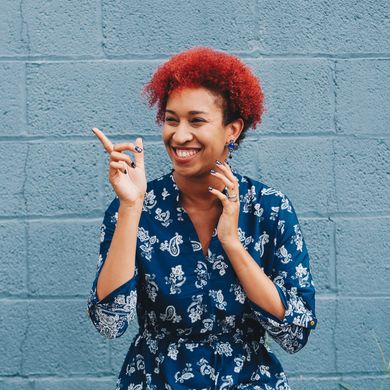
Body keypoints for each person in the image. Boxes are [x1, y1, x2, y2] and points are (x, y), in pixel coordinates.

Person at [87, 46, 317, 389]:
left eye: (196, 120)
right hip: (155, 380)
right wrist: (131, 208)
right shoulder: (135, 206)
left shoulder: (269, 209)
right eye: (170, 119)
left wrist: (232, 244)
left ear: (232, 130)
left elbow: (294, 334)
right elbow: (109, 323)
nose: (179, 136)